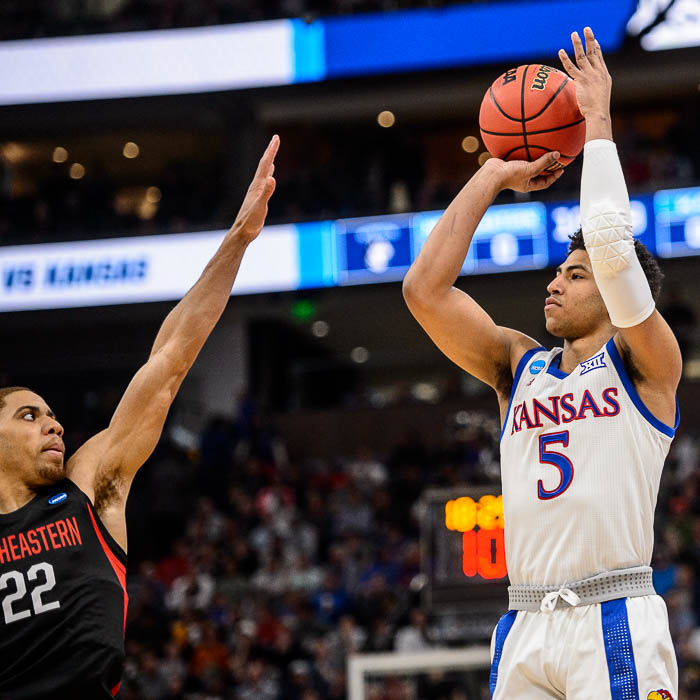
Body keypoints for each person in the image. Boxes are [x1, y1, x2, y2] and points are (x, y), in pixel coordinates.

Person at [403, 28, 680, 699]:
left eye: (576, 274)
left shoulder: (645, 362)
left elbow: (614, 249)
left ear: (617, 298)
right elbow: (424, 291)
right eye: (559, 270)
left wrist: (597, 121)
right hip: (525, 619)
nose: (555, 282)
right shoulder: (518, 367)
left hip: (612, 612)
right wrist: (494, 172)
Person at [0, 135, 280, 699]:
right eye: (29, 415)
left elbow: (169, 360)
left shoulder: (88, 486)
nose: (53, 425)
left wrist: (239, 239)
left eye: (52, 415)